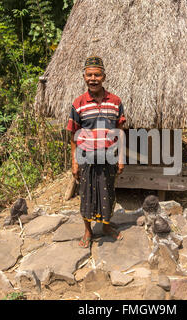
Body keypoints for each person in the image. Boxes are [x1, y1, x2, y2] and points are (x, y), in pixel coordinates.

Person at [66, 56, 126, 248]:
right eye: (89, 75)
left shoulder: (115, 102)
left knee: (107, 193)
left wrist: (122, 158)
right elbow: (73, 135)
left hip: (109, 157)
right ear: (84, 77)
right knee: (86, 195)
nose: (93, 78)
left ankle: (106, 227)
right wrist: (74, 162)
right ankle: (88, 230)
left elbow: (121, 131)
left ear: (104, 77)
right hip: (86, 158)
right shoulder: (78, 103)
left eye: (97, 75)